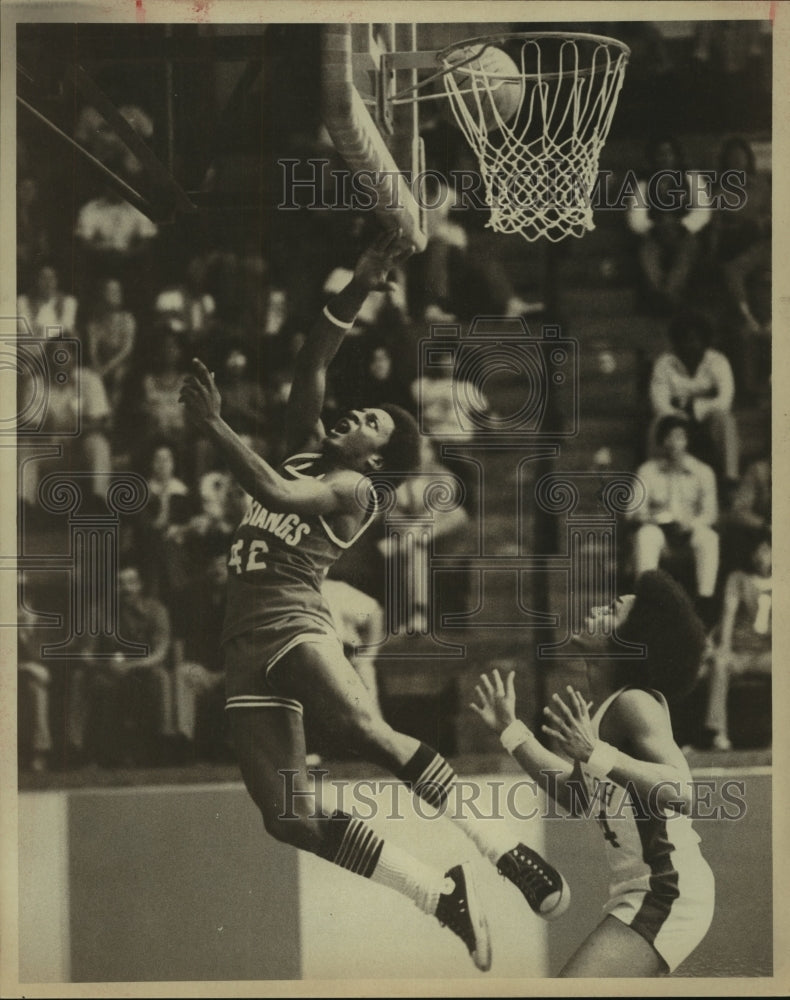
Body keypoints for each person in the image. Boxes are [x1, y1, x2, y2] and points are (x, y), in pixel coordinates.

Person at [179, 229, 569, 972]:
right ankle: (436, 894)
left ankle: (502, 848)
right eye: (362, 412)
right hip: (243, 648)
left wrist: (214, 425)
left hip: (293, 625)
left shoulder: (354, 490)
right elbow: (312, 358)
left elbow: (270, 489)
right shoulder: (303, 442)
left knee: (363, 728)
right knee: (286, 817)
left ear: (379, 457)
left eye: (374, 423)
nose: (357, 415)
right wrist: (361, 277)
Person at [471, 569, 715, 977]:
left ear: (628, 640)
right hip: (642, 891)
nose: (600, 607)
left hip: (668, 893)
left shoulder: (634, 704)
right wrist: (511, 731)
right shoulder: (605, 709)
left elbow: (682, 792)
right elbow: (577, 796)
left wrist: (597, 753)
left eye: (614, 610)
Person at [630, 414, 720, 626]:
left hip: (690, 533)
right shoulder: (648, 471)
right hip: (660, 533)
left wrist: (691, 524)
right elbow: (632, 511)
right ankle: (646, 597)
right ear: (662, 442)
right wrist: (653, 519)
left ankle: (705, 601)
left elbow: (711, 513)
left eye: (680, 437)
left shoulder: (702, 472)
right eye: (669, 438)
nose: (674, 443)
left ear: (688, 441)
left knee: (709, 537)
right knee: (646, 536)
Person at [648, 311, 739, 486]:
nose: (689, 345)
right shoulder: (664, 363)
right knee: (657, 423)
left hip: (708, 417)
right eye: (684, 340)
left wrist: (697, 409)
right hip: (676, 415)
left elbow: (725, 400)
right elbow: (658, 401)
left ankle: (730, 479)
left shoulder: (718, 361)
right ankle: (655, 479)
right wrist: (676, 415)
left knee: (726, 421)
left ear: (705, 341)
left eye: (695, 339)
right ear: (676, 342)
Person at [704, 532, 771, 751]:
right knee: (719, 664)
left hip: (766, 654)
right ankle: (718, 734)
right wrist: (723, 647)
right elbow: (728, 616)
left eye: (767, 550)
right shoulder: (738, 579)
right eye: (758, 551)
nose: (762, 557)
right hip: (739, 652)